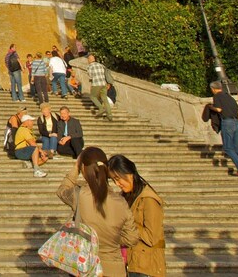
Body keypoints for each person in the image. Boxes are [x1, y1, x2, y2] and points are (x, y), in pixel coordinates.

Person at [56, 147, 138, 277]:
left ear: (84, 169)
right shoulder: (121, 202)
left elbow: (62, 190)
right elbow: (132, 238)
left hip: (85, 266)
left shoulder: (79, 195)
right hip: (114, 269)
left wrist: (76, 167)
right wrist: (113, 239)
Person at [107, 155, 165, 277]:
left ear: (129, 173)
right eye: (113, 180)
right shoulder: (124, 197)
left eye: (118, 179)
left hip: (146, 266)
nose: (117, 184)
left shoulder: (148, 199)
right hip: (129, 261)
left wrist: (127, 225)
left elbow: (152, 237)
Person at [205, 81, 238, 176]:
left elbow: (219, 109)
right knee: (236, 146)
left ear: (213, 89)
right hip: (237, 123)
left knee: (228, 148)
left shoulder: (217, 96)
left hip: (227, 122)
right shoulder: (230, 97)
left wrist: (211, 107)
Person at [86, 54, 114, 121]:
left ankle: (101, 108)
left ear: (89, 59)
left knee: (92, 97)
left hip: (96, 84)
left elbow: (90, 76)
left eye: (88, 59)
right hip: (104, 84)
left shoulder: (90, 66)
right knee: (105, 99)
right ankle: (109, 116)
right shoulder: (101, 65)